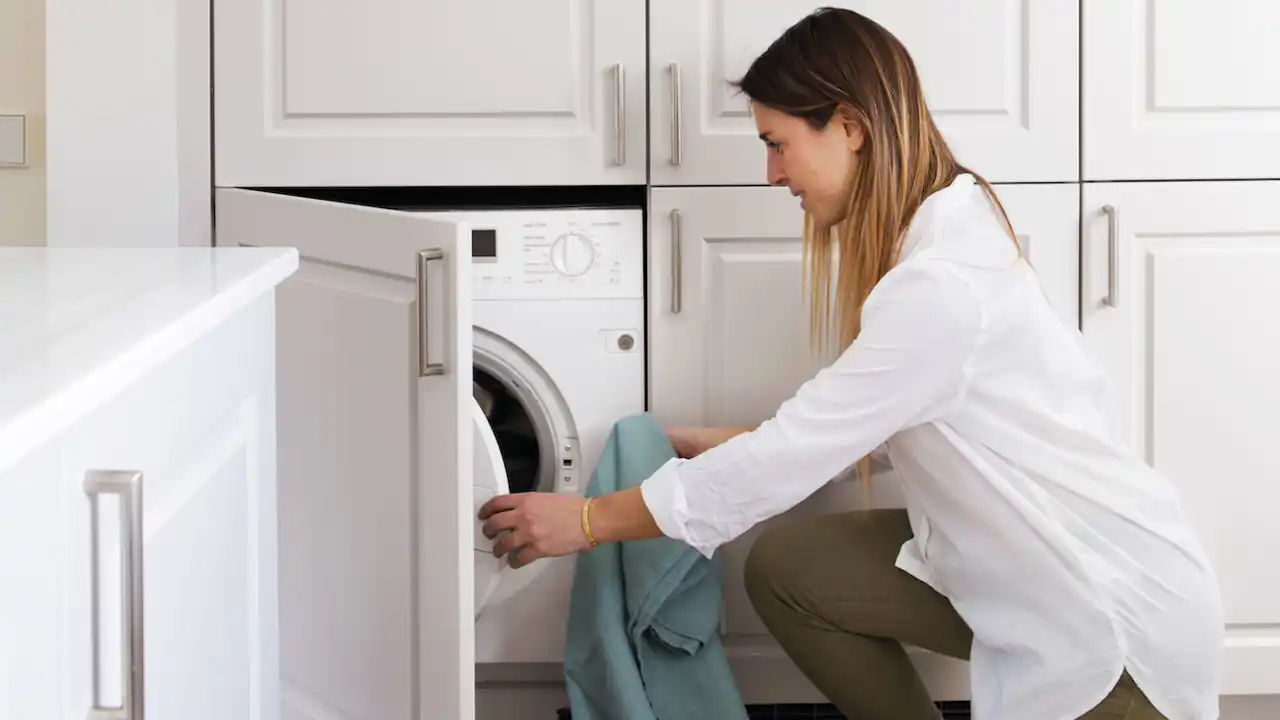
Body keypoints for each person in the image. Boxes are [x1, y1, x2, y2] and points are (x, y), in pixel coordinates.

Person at [477, 7, 1223, 720]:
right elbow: (883, 423)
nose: (771, 173)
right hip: (1044, 571)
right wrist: (742, 440)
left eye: (778, 143)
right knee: (791, 568)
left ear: (851, 127)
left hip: (1115, 632)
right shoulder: (950, 219)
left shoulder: (940, 285)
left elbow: (788, 459)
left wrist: (585, 519)